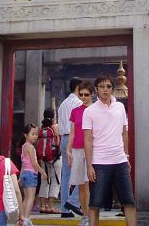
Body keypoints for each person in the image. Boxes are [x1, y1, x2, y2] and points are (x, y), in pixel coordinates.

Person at [82, 75, 136, 226]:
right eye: (102, 86)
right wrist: (89, 166)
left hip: (120, 161)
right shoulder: (89, 111)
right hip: (99, 162)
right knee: (95, 203)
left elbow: (124, 133)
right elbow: (87, 139)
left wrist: (126, 156)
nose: (105, 90)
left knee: (129, 202)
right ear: (96, 90)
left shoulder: (120, 107)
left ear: (112, 89)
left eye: (108, 86)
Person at [67, 81, 93, 226]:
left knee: (88, 185)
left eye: (86, 95)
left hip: (92, 150)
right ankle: (85, 216)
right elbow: (72, 132)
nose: (83, 97)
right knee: (81, 185)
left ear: (92, 94)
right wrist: (68, 149)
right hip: (77, 150)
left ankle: (90, 217)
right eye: (81, 94)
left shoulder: (96, 110)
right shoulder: (75, 111)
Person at [57, 77, 84, 217]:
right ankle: (73, 201)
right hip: (74, 139)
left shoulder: (62, 104)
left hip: (63, 138)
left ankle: (64, 208)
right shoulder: (78, 103)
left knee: (66, 175)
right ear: (78, 88)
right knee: (83, 173)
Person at [20, 124, 48, 226]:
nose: (35, 136)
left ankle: (22, 219)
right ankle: (26, 219)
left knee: (26, 197)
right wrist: (42, 172)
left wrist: (20, 177)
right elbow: (34, 163)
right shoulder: (31, 147)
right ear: (26, 135)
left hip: (25, 174)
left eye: (36, 134)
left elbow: (23, 164)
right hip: (31, 174)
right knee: (31, 197)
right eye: (33, 134)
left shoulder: (24, 146)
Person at [37, 108, 61, 214]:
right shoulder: (55, 127)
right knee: (55, 181)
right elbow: (58, 142)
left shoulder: (42, 128)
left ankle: (42, 206)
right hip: (55, 158)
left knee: (44, 181)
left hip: (43, 159)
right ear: (53, 116)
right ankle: (50, 206)